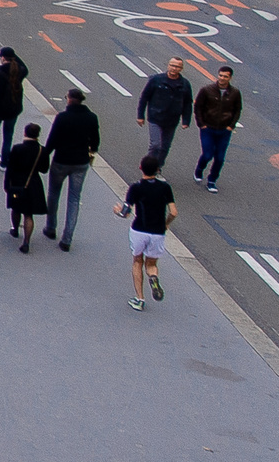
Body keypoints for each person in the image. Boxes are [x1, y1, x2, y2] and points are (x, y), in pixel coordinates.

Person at [115, 154, 177, 310]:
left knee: (137, 261)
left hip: (139, 230)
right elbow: (173, 212)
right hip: (157, 232)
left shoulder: (136, 188)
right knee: (151, 264)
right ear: (157, 170)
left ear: (140, 168)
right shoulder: (165, 188)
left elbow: (125, 212)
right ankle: (154, 277)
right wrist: (166, 224)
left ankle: (140, 299)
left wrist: (117, 211)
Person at [44, 88, 100, 251]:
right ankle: (67, 239)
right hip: (81, 162)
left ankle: (50, 227)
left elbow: (52, 140)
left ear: (69, 100)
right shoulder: (91, 117)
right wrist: (91, 151)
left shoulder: (62, 117)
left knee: (54, 194)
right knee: (74, 199)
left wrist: (44, 154)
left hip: (61, 160)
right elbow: (95, 141)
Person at [135, 57, 193, 168]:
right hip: (155, 117)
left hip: (172, 120)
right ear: (168, 65)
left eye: (177, 67)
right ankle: (148, 166)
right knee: (155, 145)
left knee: (165, 147)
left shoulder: (184, 84)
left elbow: (187, 103)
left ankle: (157, 167)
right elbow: (144, 97)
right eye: (172, 65)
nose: (174, 68)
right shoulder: (157, 80)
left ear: (181, 69)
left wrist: (186, 120)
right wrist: (140, 115)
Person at [193, 66, 241, 192]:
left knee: (220, 157)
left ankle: (212, 180)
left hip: (224, 130)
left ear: (230, 78)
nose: (222, 78)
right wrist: (201, 124)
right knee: (208, 154)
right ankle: (199, 168)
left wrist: (231, 126)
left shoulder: (234, 93)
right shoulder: (207, 90)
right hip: (208, 128)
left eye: (225, 76)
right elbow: (198, 107)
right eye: (220, 75)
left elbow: (237, 110)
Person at [3, 122, 50, 252]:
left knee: (16, 208)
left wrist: (7, 184)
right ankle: (26, 241)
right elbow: (44, 169)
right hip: (33, 183)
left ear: (25, 133)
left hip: (18, 182)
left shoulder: (18, 148)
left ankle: (15, 229)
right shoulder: (42, 150)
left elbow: (10, 168)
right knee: (29, 214)